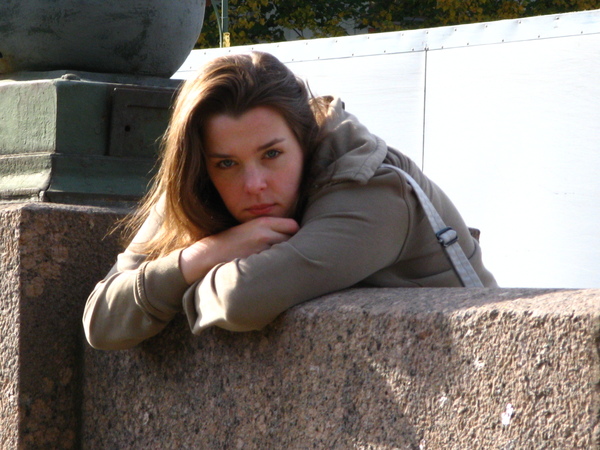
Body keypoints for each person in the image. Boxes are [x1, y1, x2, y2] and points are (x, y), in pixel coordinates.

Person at [83, 51, 497, 350]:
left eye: (272, 154)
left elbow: (242, 299)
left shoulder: (373, 190)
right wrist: (204, 254)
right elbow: (100, 319)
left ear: (305, 139)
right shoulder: (199, 184)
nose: (254, 184)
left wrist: (177, 291)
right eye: (227, 163)